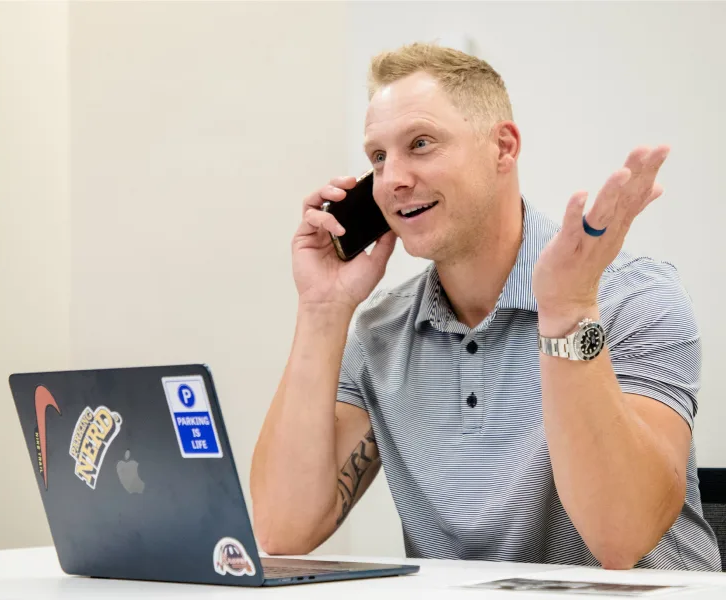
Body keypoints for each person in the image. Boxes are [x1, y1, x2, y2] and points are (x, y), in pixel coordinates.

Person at [249, 42, 721, 571]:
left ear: (503, 148)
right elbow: (282, 530)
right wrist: (322, 308)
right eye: (378, 157)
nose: (392, 179)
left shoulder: (632, 298)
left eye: (420, 143)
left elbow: (620, 537)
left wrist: (567, 310)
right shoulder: (381, 332)